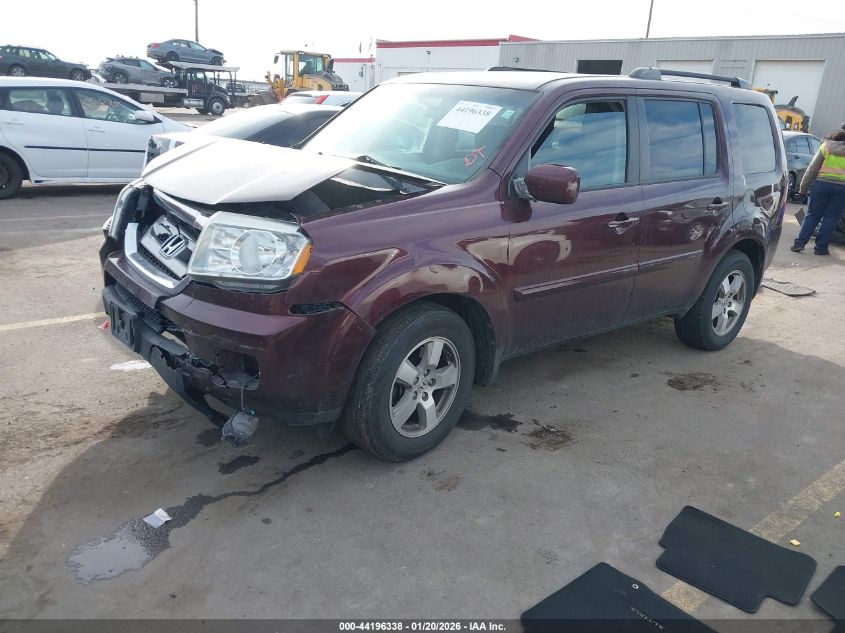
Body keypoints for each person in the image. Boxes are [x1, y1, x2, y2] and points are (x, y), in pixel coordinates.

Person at [791, 124, 845, 255]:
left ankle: (800, 243)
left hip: (821, 185)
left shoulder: (825, 146)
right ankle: (821, 248)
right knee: (831, 218)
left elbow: (812, 169)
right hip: (841, 189)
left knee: (812, 215)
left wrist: (802, 189)